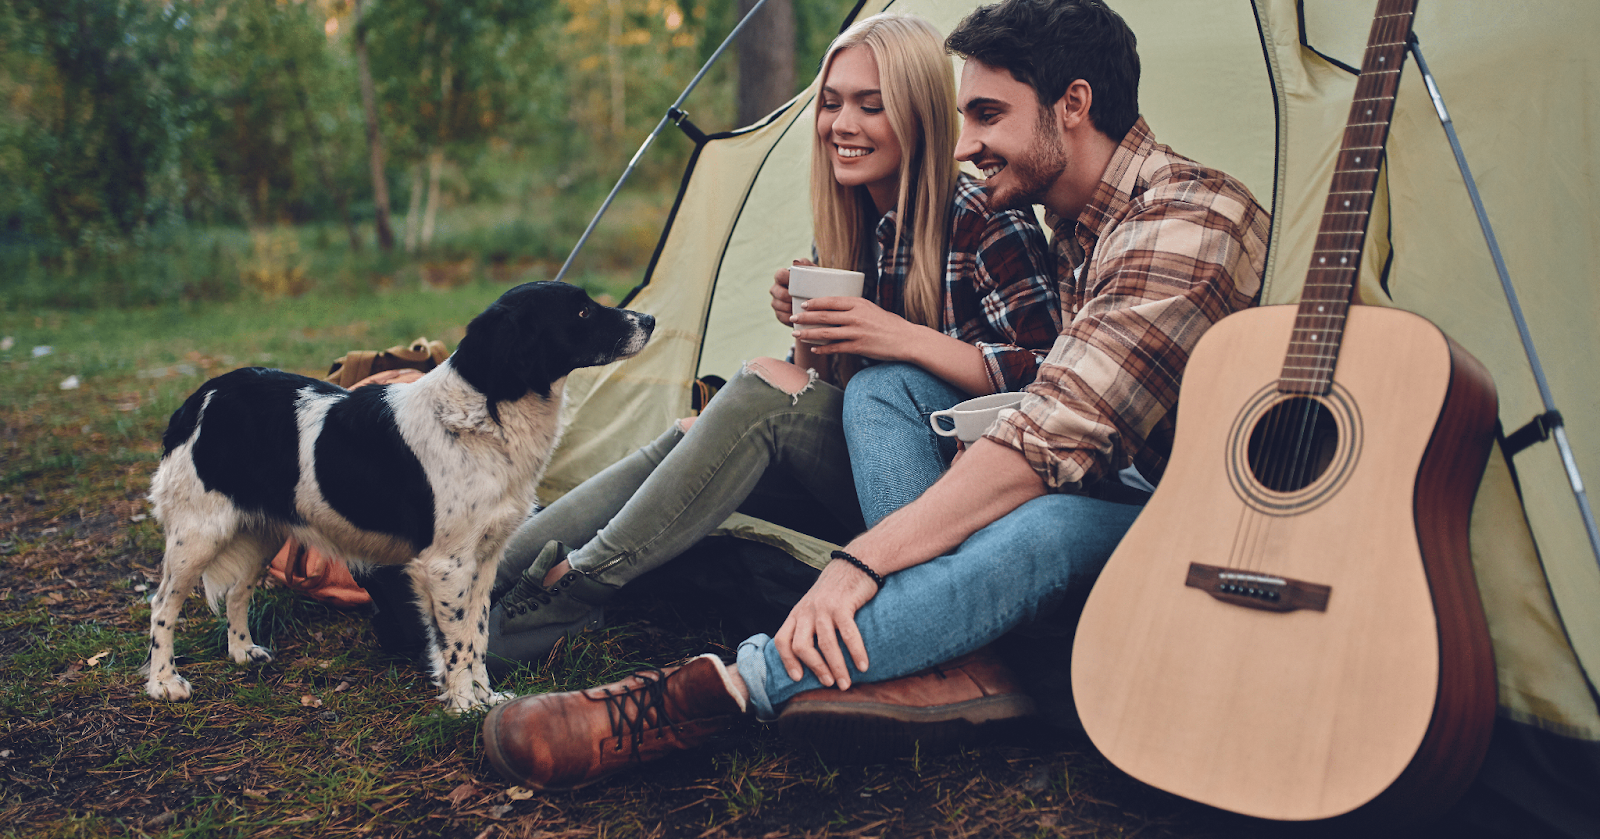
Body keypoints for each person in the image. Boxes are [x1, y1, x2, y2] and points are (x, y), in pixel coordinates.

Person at [480, 0, 1271, 791]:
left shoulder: (1184, 220)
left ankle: (720, 688)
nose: (968, 146)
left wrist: (863, 562)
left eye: (988, 116)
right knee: (862, 393)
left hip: (1166, 512)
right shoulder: (1075, 224)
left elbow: (1047, 433)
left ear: (1074, 104)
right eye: (833, 102)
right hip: (1033, 471)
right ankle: (476, 571)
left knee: (1039, 524)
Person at [481, 12, 1061, 673]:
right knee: (697, 430)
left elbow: (1048, 380)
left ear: (920, 115)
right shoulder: (848, 228)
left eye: (871, 106)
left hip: (957, 493)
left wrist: (897, 336)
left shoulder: (987, 217)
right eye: (832, 102)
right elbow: (817, 394)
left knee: (755, 396)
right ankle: (482, 574)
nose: (843, 125)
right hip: (865, 471)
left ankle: (569, 591)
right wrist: (808, 336)